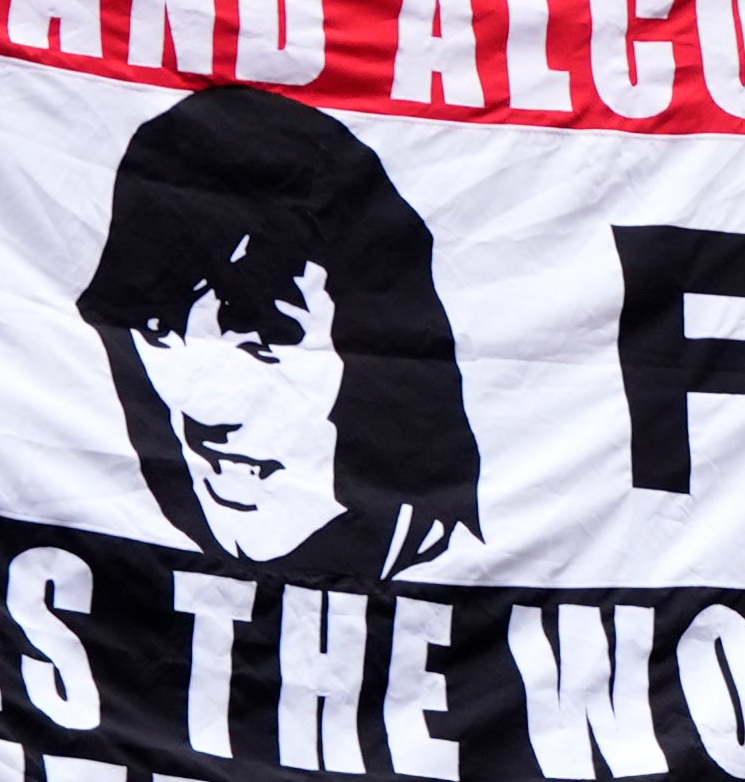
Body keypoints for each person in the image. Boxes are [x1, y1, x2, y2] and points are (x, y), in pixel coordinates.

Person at [73, 86, 481, 574]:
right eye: (159, 335)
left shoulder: (493, 583)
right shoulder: (119, 579)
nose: (202, 412)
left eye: (264, 344)